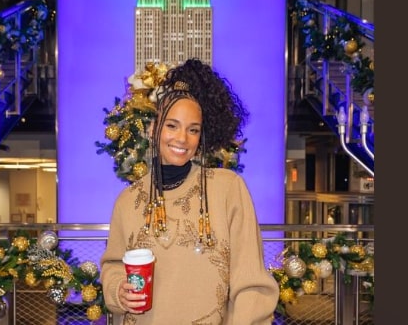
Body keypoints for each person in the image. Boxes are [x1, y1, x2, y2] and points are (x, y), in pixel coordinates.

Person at [100, 58, 279, 324]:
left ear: (201, 137)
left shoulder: (227, 189)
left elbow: (251, 284)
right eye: (172, 126)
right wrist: (118, 291)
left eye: (193, 130)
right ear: (153, 128)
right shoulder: (127, 201)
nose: (182, 138)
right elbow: (113, 265)